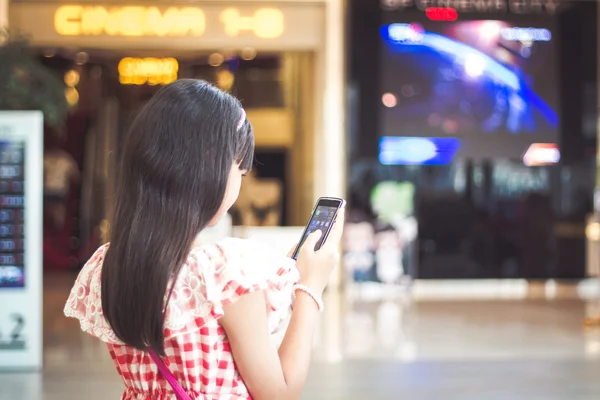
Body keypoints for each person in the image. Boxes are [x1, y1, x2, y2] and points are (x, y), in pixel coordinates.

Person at [63, 79, 344, 400]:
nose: (239, 183)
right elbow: (280, 395)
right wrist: (310, 287)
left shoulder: (106, 263)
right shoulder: (222, 273)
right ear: (212, 168)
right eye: (240, 170)